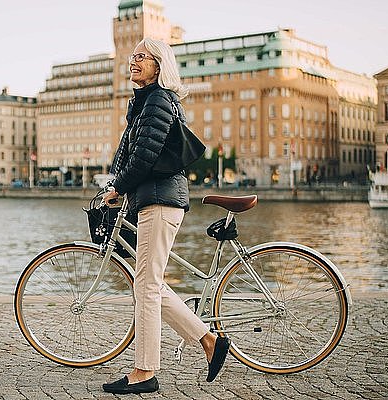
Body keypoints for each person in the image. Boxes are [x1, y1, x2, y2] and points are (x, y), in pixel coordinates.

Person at [101, 37, 230, 395]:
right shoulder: (144, 102)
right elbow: (128, 151)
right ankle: (208, 341)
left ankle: (145, 372)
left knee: (145, 285)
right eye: (132, 56)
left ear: (160, 65)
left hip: (160, 199)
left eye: (142, 56)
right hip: (152, 198)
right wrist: (117, 182)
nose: (133, 61)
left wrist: (119, 187)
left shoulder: (158, 99)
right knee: (151, 283)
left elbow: (143, 157)